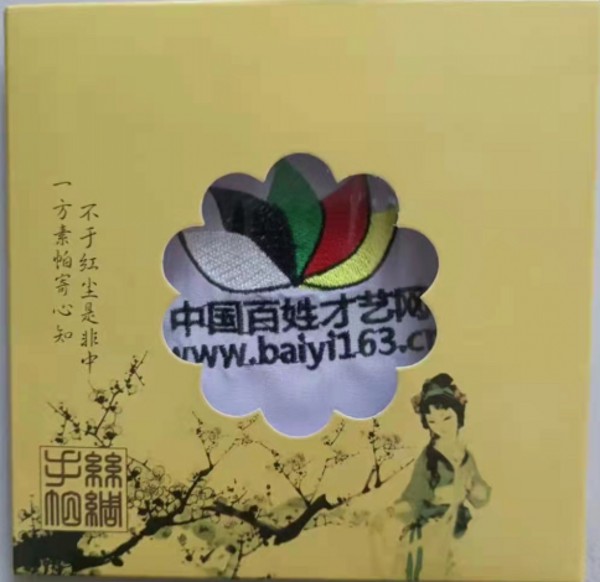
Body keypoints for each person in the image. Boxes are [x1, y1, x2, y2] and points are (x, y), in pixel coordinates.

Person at [389, 373, 491, 580]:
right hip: (432, 528)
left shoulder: (465, 455)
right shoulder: (429, 458)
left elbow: (479, 492)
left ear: (458, 416)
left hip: (458, 527)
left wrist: (474, 489)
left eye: (446, 418)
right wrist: (395, 510)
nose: (441, 426)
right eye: (432, 421)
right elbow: (414, 496)